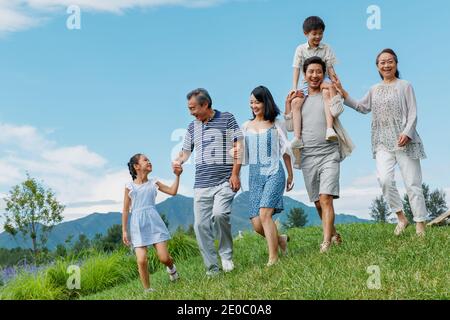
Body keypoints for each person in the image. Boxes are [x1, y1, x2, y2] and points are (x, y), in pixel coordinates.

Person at [334, 48, 428, 237]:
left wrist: (407, 133)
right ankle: (401, 218)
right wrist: (343, 93)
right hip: (382, 142)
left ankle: (420, 225)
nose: (386, 65)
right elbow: (362, 107)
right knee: (384, 179)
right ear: (377, 67)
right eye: (382, 62)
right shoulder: (374, 89)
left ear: (396, 64)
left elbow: (413, 113)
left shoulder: (405, 85)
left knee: (412, 184)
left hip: (404, 142)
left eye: (390, 61)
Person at [285, 56, 353, 253]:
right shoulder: (299, 99)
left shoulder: (326, 92)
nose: (315, 75)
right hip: (307, 156)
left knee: (326, 198)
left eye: (318, 72)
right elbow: (290, 127)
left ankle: (326, 242)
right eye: (310, 72)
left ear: (323, 74)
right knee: (317, 202)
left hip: (329, 152)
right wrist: (288, 104)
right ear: (304, 76)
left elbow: (338, 111)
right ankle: (332, 232)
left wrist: (333, 91)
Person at [173, 88, 243, 276]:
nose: (191, 112)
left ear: (205, 105)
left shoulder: (227, 118)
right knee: (200, 226)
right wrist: (178, 162)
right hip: (201, 185)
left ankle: (226, 255)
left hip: (224, 181)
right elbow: (185, 152)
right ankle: (212, 269)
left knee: (220, 215)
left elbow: (239, 146)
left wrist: (235, 174)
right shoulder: (192, 127)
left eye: (193, 108)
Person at [240, 86, 294, 266]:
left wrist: (290, 174)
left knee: (265, 215)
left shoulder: (277, 124)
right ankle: (281, 240)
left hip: (274, 172)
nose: (254, 106)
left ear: (266, 102)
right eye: (251, 103)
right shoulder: (246, 126)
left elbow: (285, 150)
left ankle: (273, 258)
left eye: (257, 102)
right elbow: (241, 153)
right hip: (254, 176)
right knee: (257, 224)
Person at [122, 153, 182, 292]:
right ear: (136, 166)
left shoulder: (154, 183)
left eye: (149, 159)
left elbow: (172, 191)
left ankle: (172, 269)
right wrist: (124, 230)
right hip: (137, 225)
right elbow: (125, 210)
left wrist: (177, 175)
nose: (149, 161)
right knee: (141, 260)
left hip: (154, 222)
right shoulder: (129, 187)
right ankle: (148, 289)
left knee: (164, 258)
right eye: (145, 160)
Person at [287, 16, 340, 168]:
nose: (317, 37)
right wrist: (294, 87)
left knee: (326, 93)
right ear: (306, 34)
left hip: (322, 81)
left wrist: (335, 83)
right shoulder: (300, 49)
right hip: (306, 83)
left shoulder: (326, 48)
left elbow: (330, 69)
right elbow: (296, 68)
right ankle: (297, 137)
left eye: (320, 33)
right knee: (296, 102)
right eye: (314, 33)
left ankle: (329, 128)